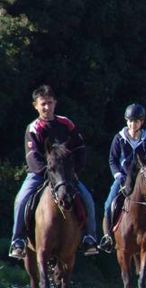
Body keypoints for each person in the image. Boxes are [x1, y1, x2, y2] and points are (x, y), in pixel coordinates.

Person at [9, 85, 98, 259]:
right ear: (35, 105)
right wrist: (46, 172)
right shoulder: (33, 128)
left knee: (87, 198)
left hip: (65, 175)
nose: (47, 107)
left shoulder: (66, 123)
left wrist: (75, 170)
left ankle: (90, 237)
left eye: (50, 103)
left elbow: (80, 147)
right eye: (43, 104)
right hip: (39, 174)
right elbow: (32, 155)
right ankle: (18, 240)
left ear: (55, 103)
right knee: (21, 199)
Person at [98, 104, 146, 254]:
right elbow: (113, 160)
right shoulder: (119, 139)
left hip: (144, 180)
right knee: (109, 204)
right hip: (123, 178)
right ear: (126, 121)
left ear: (141, 122)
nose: (133, 124)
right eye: (130, 121)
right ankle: (107, 237)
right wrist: (119, 176)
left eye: (136, 121)